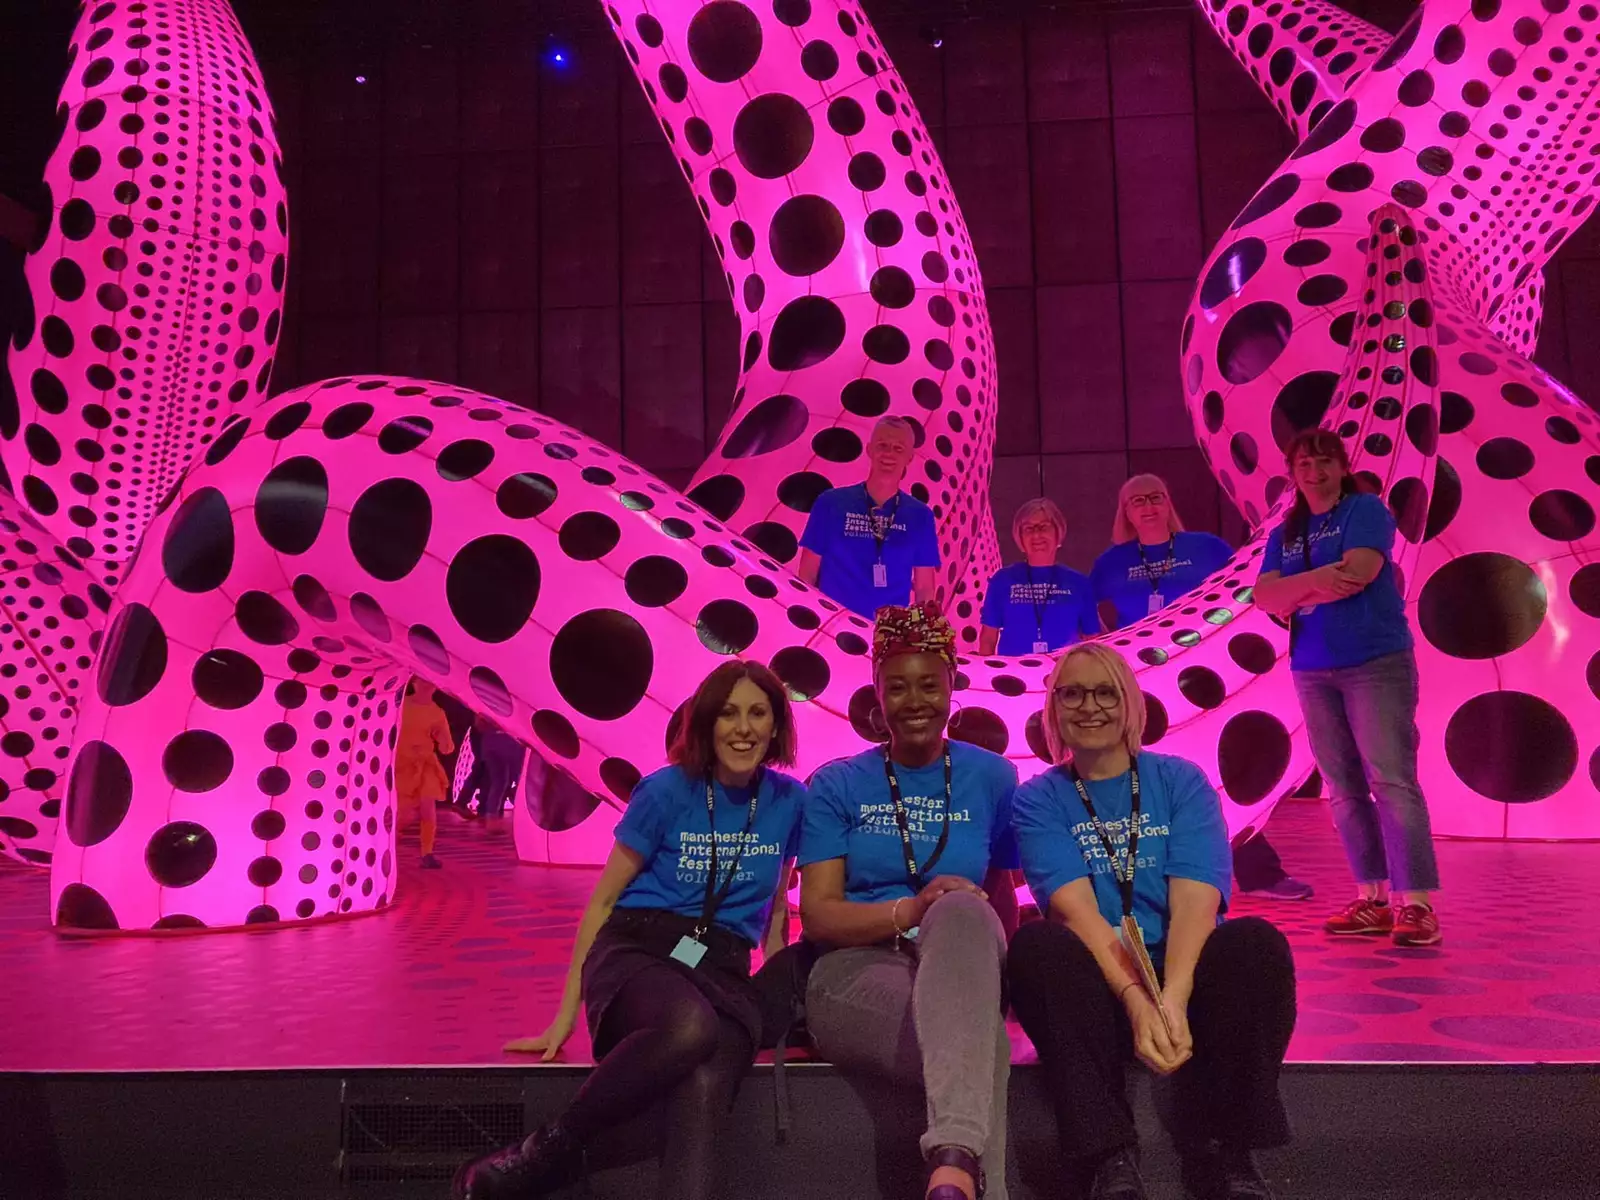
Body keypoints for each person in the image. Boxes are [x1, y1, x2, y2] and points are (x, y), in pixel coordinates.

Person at [453, 663, 806, 1200]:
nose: (743, 728)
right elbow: (603, 901)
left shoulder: (789, 801)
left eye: (758, 713)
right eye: (728, 713)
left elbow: (777, 907)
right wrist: (564, 1014)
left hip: (724, 969)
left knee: (705, 1082)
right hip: (639, 952)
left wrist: (775, 994)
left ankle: (552, 1161)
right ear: (706, 723)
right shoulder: (665, 790)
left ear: (776, 726)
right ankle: (544, 1152)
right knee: (691, 1027)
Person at [1007, 644, 1295, 1200]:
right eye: (1072, 692)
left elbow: (1196, 902)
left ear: (1131, 703)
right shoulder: (1039, 799)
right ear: (1053, 706)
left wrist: (1175, 997)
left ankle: (1226, 1151)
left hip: (1182, 978)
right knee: (1037, 947)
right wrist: (1139, 1001)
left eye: (1105, 691)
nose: (1089, 706)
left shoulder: (1180, 781)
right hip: (1100, 988)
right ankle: (1109, 1154)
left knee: (1255, 944)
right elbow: (1077, 913)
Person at [798, 604, 1018, 1200]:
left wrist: (1007, 981)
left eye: (929, 684)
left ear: (953, 687)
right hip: (853, 972)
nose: (914, 700)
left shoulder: (994, 778)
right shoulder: (837, 784)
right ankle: (962, 1170)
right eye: (897, 687)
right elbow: (817, 915)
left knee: (964, 908)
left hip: (963, 961)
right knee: (976, 1040)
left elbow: (1000, 893)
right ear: (877, 697)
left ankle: (950, 1173)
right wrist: (909, 910)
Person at [1252, 430, 1442, 947]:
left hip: (1375, 662)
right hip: (1312, 668)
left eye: (1323, 462)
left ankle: (1417, 905)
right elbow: (1262, 597)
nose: (1313, 472)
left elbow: (1358, 573)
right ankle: (1372, 899)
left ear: (1340, 466)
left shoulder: (1366, 510)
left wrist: (1294, 590)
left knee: (1393, 781)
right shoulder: (1285, 533)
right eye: (1304, 463)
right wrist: (1316, 580)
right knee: (1343, 789)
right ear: (1292, 473)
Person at [1093, 475, 1312, 903]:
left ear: (1168, 502)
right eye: (1137, 500)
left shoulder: (1207, 548)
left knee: (1222, 776)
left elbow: (1245, 596)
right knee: (1138, 783)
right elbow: (1098, 623)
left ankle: (1259, 872)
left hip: (1202, 680)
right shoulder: (1111, 563)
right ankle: (1148, 879)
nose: (1148, 506)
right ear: (1126, 512)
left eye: (1156, 496)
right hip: (1139, 686)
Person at [798, 415, 941, 618]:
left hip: (890, 635)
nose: (888, 453)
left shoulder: (920, 516)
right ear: (869, 449)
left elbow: (925, 589)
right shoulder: (831, 503)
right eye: (882, 445)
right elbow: (807, 574)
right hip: (831, 627)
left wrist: (924, 636)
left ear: (910, 456)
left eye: (898, 448)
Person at [978, 497, 1099, 655]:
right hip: (1015, 674)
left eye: (1044, 527)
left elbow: (1092, 639)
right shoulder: (1002, 580)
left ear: (1058, 532)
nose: (1036, 534)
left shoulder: (1079, 583)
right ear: (1019, 536)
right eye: (1028, 528)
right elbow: (988, 639)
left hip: (1065, 674)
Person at [396, 680, 455, 869]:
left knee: (427, 807)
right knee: (403, 813)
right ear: (413, 684)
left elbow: (447, 747)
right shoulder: (400, 705)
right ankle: (390, 841)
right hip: (402, 764)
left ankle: (427, 852)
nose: (425, 686)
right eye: (421, 682)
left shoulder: (437, 713)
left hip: (425, 763)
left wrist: (442, 738)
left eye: (429, 683)